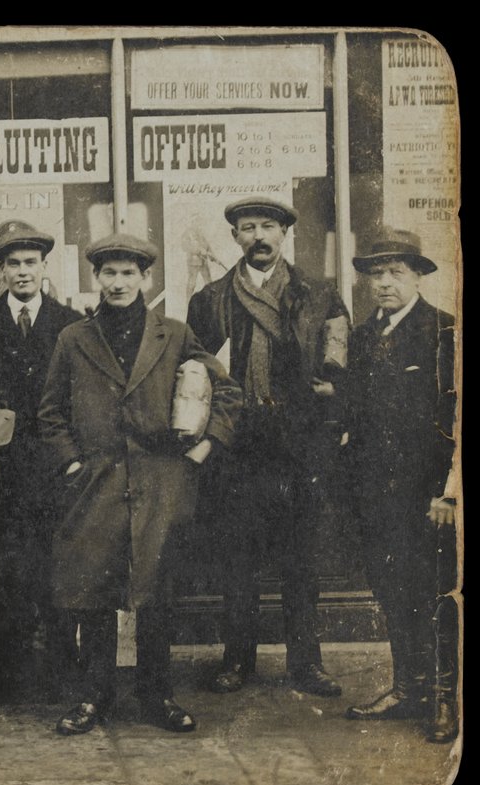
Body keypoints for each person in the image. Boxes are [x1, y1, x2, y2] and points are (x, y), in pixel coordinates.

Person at [39, 234, 242, 735]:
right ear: (96, 278)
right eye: (109, 273)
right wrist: (72, 465)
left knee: (156, 593)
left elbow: (227, 391)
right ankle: (94, 697)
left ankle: (158, 695)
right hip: (97, 483)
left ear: (146, 278)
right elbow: (50, 413)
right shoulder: (73, 338)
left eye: (128, 273)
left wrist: (203, 449)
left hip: (158, 482)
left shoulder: (174, 334)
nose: (118, 282)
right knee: (95, 592)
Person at [187, 197, 350, 698]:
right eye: (247, 228)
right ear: (234, 237)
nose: (258, 236)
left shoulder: (320, 296)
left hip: (298, 444)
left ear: (284, 234)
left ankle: (307, 664)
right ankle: (237, 660)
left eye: (268, 227)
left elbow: (342, 366)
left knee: (301, 560)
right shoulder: (210, 299)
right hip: (239, 444)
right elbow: (194, 374)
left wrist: (329, 401)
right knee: (238, 558)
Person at [341, 229, 458, 744]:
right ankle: (407, 687)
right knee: (392, 589)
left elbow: (455, 417)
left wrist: (448, 491)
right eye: (376, 273)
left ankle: (444, 697)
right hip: (376, 493)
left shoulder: (444, 331)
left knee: (433, 592)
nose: (385, 283)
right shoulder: (364, 336)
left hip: (428, 496)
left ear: (417, 277)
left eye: (396, 272)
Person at [0, 227, 83, 705]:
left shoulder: (72, 326)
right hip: (4, 473)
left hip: (56, 470)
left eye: (30, 263)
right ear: (2, 270)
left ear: (44, 267)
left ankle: (61, 671)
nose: (22, 272)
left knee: (59, 569)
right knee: (9, 571)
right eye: (13, 264)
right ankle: (9, 677)